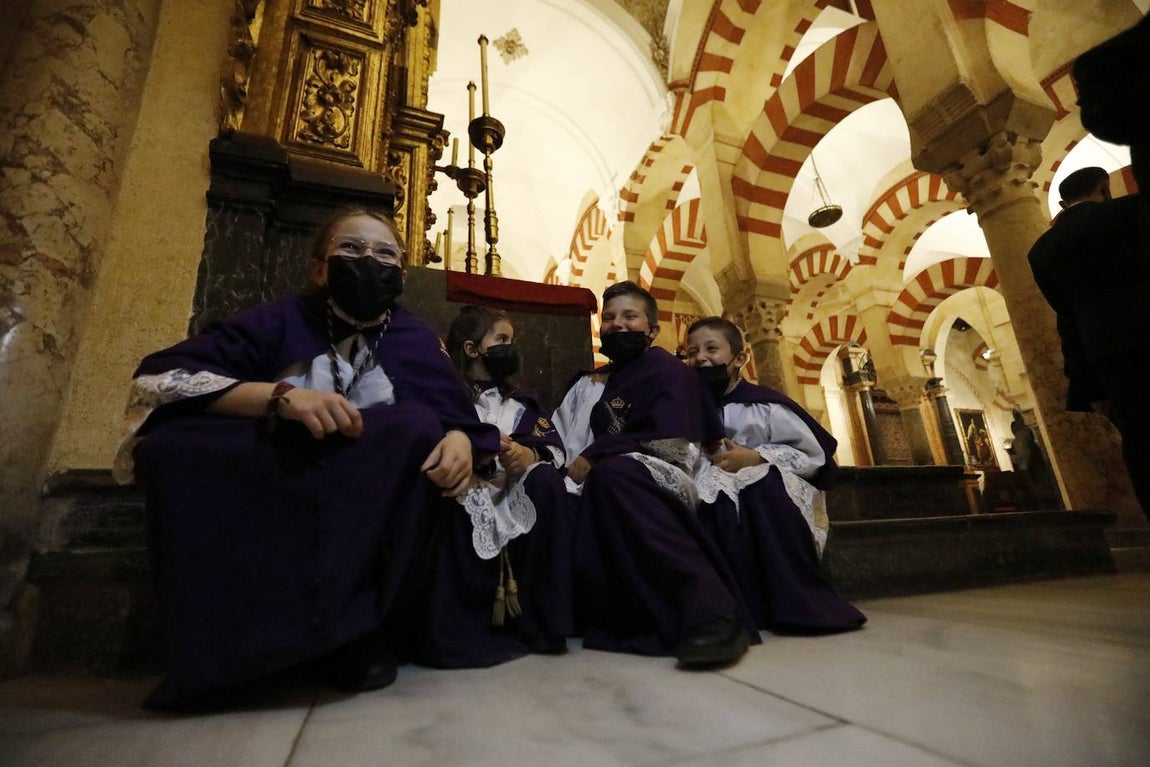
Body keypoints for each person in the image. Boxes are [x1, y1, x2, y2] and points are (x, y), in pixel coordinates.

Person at [118, 208, 503, 709]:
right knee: (173, 449)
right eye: (351, 249)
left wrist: (459, 441)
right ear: (320, 268)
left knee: (415, 429)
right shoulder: (277, 319)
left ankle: (356, 639)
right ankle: (230, 657)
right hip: (282, 464)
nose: (369, 260)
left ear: (402, 274)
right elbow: (162, 379)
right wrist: (279, 398)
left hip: (372, 482)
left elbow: (461, 419)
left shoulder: (415, 340)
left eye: (385, 253)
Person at [551, 281, 755, 667]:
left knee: (614, 478)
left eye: (630, 316)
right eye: (608, 318)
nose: (618, 325)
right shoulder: (605, 379)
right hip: (619, 466)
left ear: (652, 330)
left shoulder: (665, 369)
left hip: (664, 468)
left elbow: (672, 436)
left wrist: (599, 455)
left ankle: (711, 612)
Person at [684, 317, 866, 634]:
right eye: (692, 351)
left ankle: (793, 600)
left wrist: (755, 456)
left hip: (769, 484)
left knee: (760, 485)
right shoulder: (686, 409)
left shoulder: (764, 406)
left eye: (712, 349)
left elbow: (811, 454)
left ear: (740, 358)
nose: (701, 357)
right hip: (712, 484)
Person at [428, 304, 573, 659]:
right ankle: (463, 623)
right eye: (501, 339)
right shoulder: (447, 394)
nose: (510, 347)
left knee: (545, 482)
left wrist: (529, 456)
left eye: (513, 340)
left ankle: (539, 621)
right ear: (471, 348)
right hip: (466, 483)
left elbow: (551, 446)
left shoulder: (522, 402)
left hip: (512, 486)